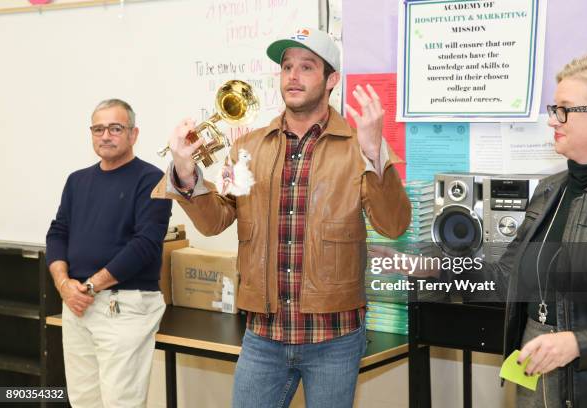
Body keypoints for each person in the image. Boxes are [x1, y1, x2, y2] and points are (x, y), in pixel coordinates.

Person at [152, 28, 411, 407]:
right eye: (286, 66)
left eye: (306, 67)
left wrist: (375, 156)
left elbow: (394, 224)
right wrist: (186, 173)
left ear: (331, 80)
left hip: (334, 337)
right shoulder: (248, 147)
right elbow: (214, 221)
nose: (292, 75)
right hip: (263, 334)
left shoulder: (359, 147)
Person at [406, 53, 587, 408]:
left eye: (565, 109)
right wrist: (442, 267)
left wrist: (578, 343)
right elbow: (505, 279)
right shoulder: (551, 191)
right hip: (536, 374)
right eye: (553, 108)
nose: (552, 121)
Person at [46, 99, 172, 408]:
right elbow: (57, 233)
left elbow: (144, 245)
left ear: (133, 134)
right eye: (98, 129)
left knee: (120, 403)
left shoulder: (152, 180)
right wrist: (64, 285)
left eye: (115, 128)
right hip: (76, 305)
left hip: (124, 307)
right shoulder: (76, 181)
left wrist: (89, 286)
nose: (106, 136)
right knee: (83, 400)